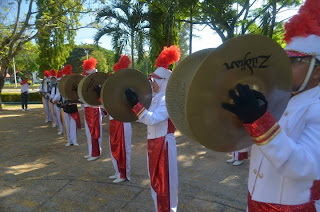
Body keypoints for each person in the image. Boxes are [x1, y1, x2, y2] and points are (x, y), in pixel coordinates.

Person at [222, 0, 320, 210]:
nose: (285, 68)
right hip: (255, 197)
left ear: (317, 70)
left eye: (295, 62)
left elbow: (305, 166)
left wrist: (259, 121)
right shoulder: (282, 97)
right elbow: (256, 146)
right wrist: (242, 120)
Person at [125, 45, 180, 212]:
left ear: (163, 81)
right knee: (156, 181)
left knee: (166, 183)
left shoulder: (166, 98)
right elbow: (145, 118)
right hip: (155, 142)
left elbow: (153, 119)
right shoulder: (157, 97)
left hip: (164, 143)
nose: (152, 83)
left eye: (154, 80)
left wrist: (136, 105)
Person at [107, 55, 132, 184]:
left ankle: (124, 174)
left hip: (122, 122)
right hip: (113, 121)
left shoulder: (128, 89)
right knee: (114, 148)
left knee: (123, 149)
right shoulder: (114, 89)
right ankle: (117, 171)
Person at [82, 58, 103, 161]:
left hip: (94, 109)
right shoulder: (87, 81)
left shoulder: (97, 82)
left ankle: (95, 153)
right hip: (87, 108)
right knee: (88, 132)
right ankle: (91, 151)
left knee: (94, 132)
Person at [61, 65, 81, 146]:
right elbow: (59, 96)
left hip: (73, 107)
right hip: (66, 107)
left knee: (73, 125)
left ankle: (74, 140)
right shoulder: (61, 87)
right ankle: (69, 141)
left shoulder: (74, 87)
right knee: (67, 125)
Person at [52, 70, 64, 135]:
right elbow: (57, 94)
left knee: (64, 118)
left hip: (63, 104)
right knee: (59, 117)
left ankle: (65, 130)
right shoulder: (57, 86)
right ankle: (61, 129)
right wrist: (54, 100)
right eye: (58, 80)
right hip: (58, 103)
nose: (59, 82)